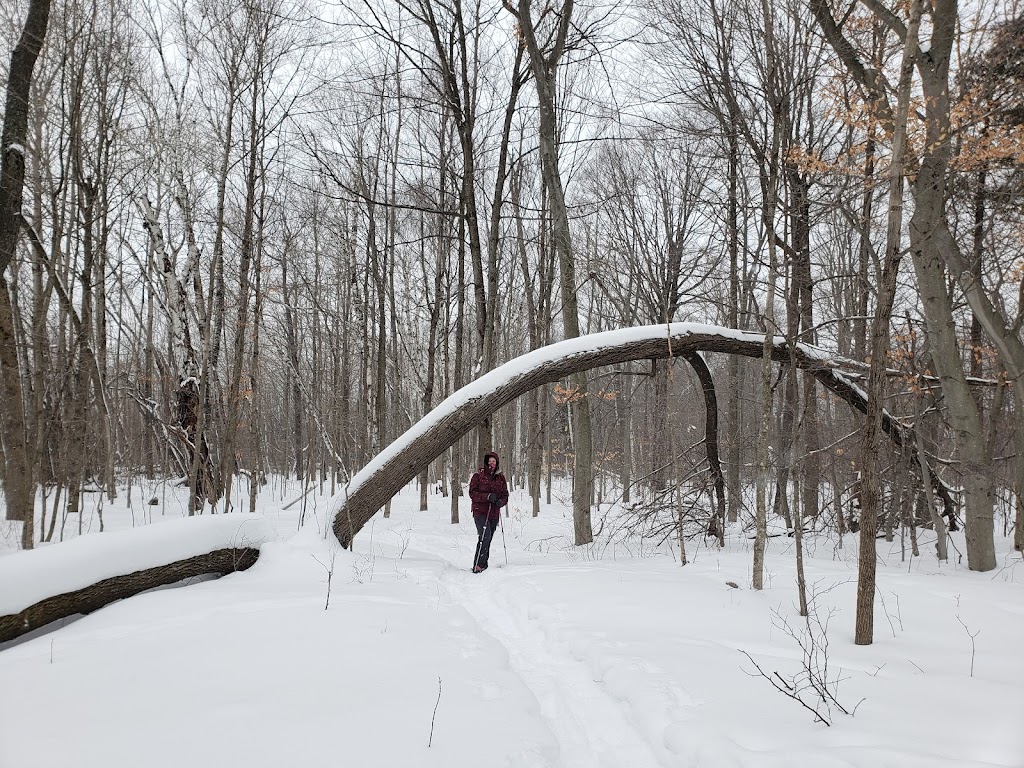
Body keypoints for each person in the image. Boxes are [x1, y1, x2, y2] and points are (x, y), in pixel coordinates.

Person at [468, 451, 508, 572]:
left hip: (494, 513)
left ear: (497, 463)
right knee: (485, 536)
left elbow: (505, 494)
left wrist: (501, 502)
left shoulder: (500, 477)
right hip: (480, 511)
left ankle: (483, 564)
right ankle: (478, 565)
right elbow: (472, 493)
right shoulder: (478, 476)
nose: (492, 463)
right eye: (490, 461)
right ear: (486, 462)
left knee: (488, 538)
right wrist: (487, 496)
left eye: (494, 461)